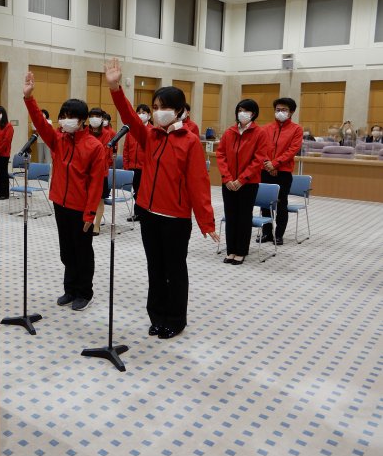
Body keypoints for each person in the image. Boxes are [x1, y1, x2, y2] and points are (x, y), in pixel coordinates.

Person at [107, 58, 218, 340]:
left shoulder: (190, 141)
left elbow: (198, 184)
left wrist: (206, 222)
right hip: (148, 213)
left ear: (180, 110)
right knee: (155, 269)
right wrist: (115, 87)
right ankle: (156, 316)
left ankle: (175, 318)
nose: (158, 113)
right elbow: (130, 117)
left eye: (164, 108)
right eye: (155, 108)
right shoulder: (151, 136)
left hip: (176, 219)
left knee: (174, 270)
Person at [23, 71, 105, 312]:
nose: (66, 120)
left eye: (72, 117)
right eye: (64, 116)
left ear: (82, 121)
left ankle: (84, 291)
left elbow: (95, 184)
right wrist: (29, 98)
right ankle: (69, 289)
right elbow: (40, 123)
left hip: (81, 208)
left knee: (82, 251)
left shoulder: (94, 147)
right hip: (60, 203)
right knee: (66, 250)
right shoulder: (58, 139)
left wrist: (91, 214)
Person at [215, 99, 268, 265]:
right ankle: (231, 250)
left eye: (246, 110)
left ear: (253, 114)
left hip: (248, 183)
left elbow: (258, 159)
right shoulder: (229, 132)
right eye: (240, 110)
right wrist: (227, 178)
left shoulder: (260, 133)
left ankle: (241, 251)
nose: (242, 113)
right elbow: (221, 154)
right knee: (231, 216)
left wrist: (241, 179)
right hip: (229, 183)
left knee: (243, 217)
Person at [259, 97, 303, 245]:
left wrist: (275, 164)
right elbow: (260, 148)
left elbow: (292, 150)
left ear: (291, 112)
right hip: (265, 170)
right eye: (278, 109)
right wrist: (268, 164)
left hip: (283, 171)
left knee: (281, 203)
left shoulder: (296, 129)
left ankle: (279, 234)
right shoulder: (266, 128)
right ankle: (266, 233)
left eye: (284, 110)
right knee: (265, 203)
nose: (280, 112)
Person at [123, 104, 151, 222]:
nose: (141, 115)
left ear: (149, 115)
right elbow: (126, 149)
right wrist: (126, 165)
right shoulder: (131, 131)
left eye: (143, 112)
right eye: (138, 112)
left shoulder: (151, 130)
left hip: (144, 167)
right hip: (132, 167)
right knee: (136, 191)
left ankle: (143, 213)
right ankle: (139, 212)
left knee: (143, 192)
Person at [87, 107, 112, 235]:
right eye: (92, 116)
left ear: (102, 118)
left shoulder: (106, 133)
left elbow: (103, 152)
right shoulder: (86, 131)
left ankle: (97, 225)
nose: (94, 118)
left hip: (101, 172)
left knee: (99, 200)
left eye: (97, 116)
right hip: (86, 171)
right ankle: (88, 222)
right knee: (87, 198)